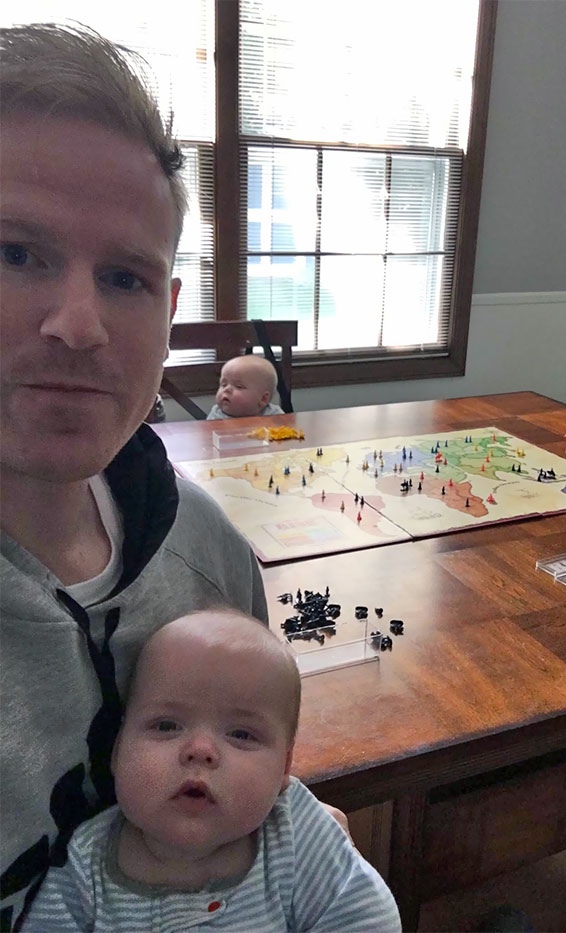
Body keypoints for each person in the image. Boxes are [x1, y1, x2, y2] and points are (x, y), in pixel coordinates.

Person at [0, 24, 271, 928]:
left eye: (125, 277)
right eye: (15, 253)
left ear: (169, 312)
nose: (79, 324)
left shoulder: (209, 554)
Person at [24, 610, 401, 932]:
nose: (200, 750)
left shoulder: (296, 834)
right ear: (117, 750)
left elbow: (370, 919)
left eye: (241, 734)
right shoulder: (85, 867)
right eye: (166, 726)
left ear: (284, 768)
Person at [207, 354, 284, 420]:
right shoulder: (216, 415)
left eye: (239, 386)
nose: (227, 389)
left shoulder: (275, 416)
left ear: (263, 399)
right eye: (224, 384)